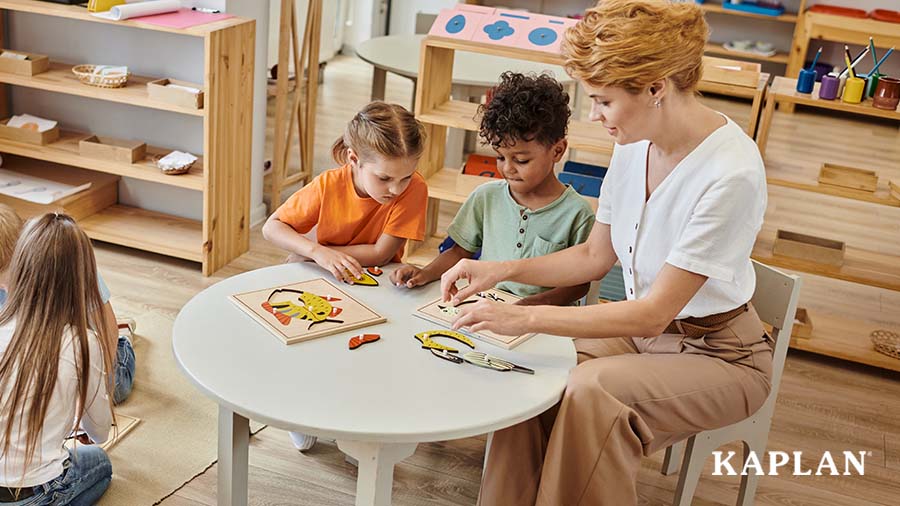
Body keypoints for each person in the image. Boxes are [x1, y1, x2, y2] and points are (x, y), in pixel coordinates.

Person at [439, 1, 772, 504]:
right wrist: (498, 269)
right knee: (525, 367)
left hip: (721, 355)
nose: (594, 116)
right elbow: (595, 257)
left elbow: (654, 313)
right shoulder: (633, 142)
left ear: (656, 87)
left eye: (603, 101)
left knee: (592, 393)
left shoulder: (732, 173)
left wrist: (524, 318)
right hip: (642, 340)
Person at [262, 101, 428, 451]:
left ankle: (355, 422)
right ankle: (301, 411)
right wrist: (315, 252)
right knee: (309, 345)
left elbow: (382, 253)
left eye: (405, 177)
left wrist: (311, 256)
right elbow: (272, 226)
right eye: (384, 178)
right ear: (354, 159)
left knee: (364, 357)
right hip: (327, 276)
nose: (396, 189)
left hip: (381, 282)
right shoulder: (328, 184)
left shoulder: (415, 189)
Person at [391, 72, 595, 306]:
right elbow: (459, 253)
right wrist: (424, 273)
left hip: (544, 319)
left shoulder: (577, 214)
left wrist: (527, 308)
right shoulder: (486, 197)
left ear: (557, 151)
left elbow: (578, 285)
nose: (507, 169)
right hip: (486, 308)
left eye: (521, 160)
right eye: (500, 157)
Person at [0, 213, 116, 505]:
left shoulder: (2, 325)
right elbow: (100, 432)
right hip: (32, 489)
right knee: (99, 463)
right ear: (83, 278)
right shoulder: (82, 342)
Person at [0, 204, 135, 406]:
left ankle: (126, 339)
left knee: (115, 388)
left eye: (7, 278)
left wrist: (98, 382)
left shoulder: (71, 269)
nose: (5, 287)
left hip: (77, 346)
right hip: (32, 350)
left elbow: (106, 330)